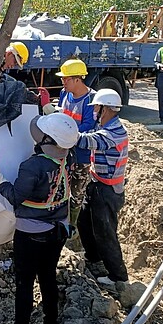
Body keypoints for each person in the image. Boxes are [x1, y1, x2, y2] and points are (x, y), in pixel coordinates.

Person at [0, 113, 79, 324]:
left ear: (48, 141)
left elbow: (15, 197)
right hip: (58, 230)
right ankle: (51, 320)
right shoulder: (68, 157)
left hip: (31, 235)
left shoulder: (33, 166)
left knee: (25, 283)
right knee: (47, 276)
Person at [76, 88, 129, 287]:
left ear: (104, 109)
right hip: (97, 184)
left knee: (105, 232)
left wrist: (62, 131)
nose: (94, 111)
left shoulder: (113, 133)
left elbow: (85, 141)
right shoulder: (106, 126)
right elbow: (89, 133)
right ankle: (93, 257)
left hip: (108, 191)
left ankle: (118, 276)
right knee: (84, 221)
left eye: (96, 107)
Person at [55, 59, 96, 227]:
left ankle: (72, 227)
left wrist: (66, 131)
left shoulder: (91, 99)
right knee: (59, 190)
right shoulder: (64, 94)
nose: (63, 82)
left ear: (78, 79)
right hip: (62, 153)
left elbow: (88, 126)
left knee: (76, 193)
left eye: (66, 78)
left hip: (81, 155)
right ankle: (60, 221)